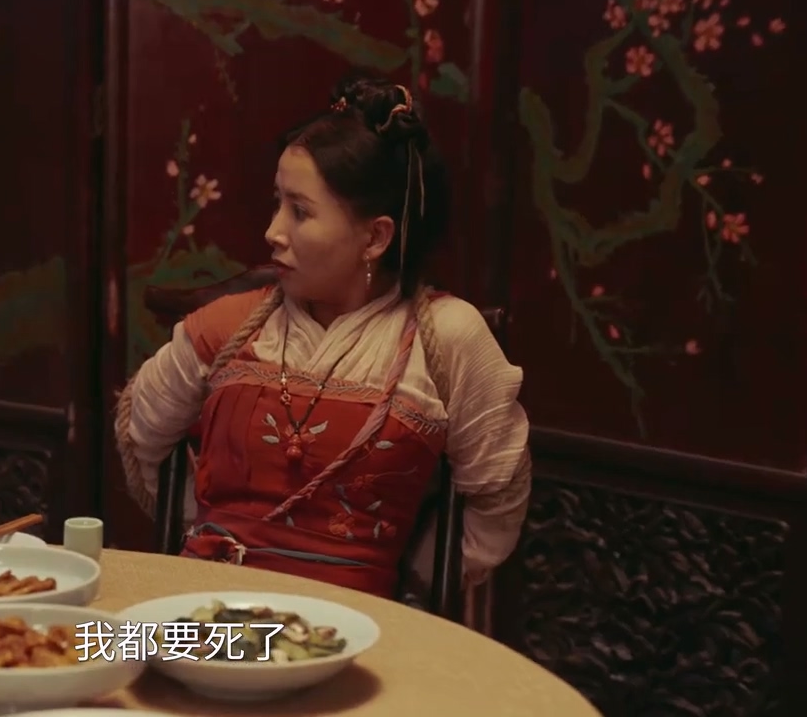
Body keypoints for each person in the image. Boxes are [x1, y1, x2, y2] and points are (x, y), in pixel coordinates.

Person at [115, 74, 531, 598]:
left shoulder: (447, 338)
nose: (273, 232)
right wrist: (203, 528)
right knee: (97, 640)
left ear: (375, 237)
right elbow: (143, 435)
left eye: (300, 211)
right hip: (209, 606)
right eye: (277, 203)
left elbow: (496, 495)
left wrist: (411, 576)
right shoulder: (230, 324)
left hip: (357, 624)